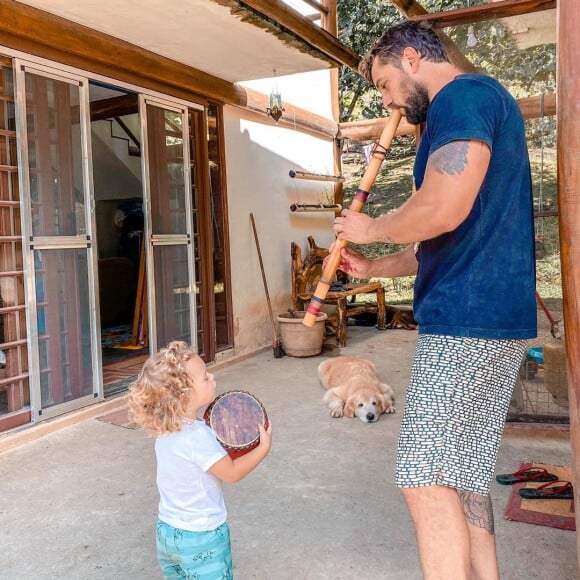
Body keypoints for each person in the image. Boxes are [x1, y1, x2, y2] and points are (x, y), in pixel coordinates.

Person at [332, 21, 536, 580]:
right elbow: (441, 243)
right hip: (490, 318)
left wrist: (370, 226)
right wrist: (374, 267)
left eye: (384, 83)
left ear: (415, 58)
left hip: (466, 323)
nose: (387, 99)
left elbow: (443, 207)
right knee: (463, 475)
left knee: (423, 477)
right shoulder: (475, 105)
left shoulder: (463, 96)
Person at [128, 340, 272, 579]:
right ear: (184, 395)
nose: (212, 378)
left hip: (168, 532)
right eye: (205, 377)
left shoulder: (166, 429)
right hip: (202, 537)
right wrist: (263, 448)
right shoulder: (199, 437)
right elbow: (232, 472)